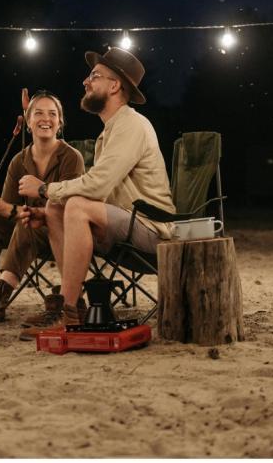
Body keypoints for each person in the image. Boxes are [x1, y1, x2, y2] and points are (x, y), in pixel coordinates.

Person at [16, 47, 175, 339]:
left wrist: (44, 188)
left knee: (74, 205)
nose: (85, 82)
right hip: (126, 220)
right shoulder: (110, 131)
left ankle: (68, 312)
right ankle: (70, 307)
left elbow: (97, 186)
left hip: (153, 229)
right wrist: (50, 207)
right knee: (55, 209)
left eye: (94, 76)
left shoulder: (131, 125)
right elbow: (106, 193)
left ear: (115, 86)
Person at [0, 91, 84, 323]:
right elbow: (5, 209)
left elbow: (67, 207)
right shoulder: (19, 161)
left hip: (59, 233)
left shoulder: (71, 157)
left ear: (60, 123)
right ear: (28, 121)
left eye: (52, 114)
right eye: (38, 113)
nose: (46, 119)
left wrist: (16, 209)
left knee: (26, 221)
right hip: (25, 230)